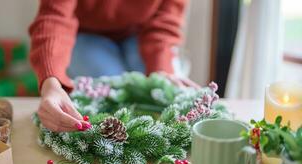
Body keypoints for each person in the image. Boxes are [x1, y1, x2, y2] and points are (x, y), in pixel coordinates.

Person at [29, 0, 198, 132]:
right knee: (114, 93)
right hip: (84, 35)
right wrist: (51, 82)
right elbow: (55, 17)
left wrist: (162, 69)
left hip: (142, 34)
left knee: (155, 90)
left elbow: (164, 21)